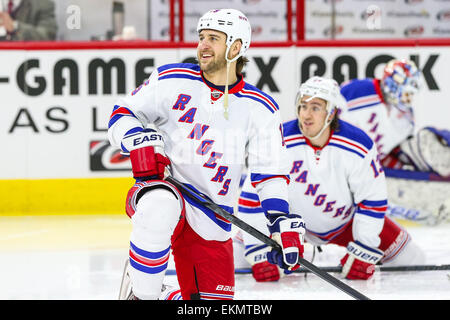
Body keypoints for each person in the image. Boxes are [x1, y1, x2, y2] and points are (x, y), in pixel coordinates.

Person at [108, 8, 305, 300]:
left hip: (213, 215)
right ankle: (141, 294)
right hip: (167, 190)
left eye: (213, 38)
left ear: (236, 47)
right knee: (160, 205)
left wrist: (281, 222)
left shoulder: (260, 106)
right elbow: (122, 113)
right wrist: (136, 139)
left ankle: (164, 295)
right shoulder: (171, 79)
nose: (203, 45)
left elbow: (270, 172)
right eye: (201, 37)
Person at [236, 76, 425, 283]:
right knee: (235, 258)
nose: (306, 115)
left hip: (345, 224)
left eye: (315, 107)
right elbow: (251, 198)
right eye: (303, 105)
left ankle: (314, 253)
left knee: (413, 258)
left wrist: (364, 248)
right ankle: (309, 252)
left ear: (332, 112)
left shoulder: (358, 145)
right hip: (289, 227)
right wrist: (259, 251)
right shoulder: (277, 139)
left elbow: (372, 200)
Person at [339, 59, 450, 178]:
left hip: (362, 173)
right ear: (393, 85)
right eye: (407, 93)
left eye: (411, 95)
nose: (409, 100)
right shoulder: (359, 90)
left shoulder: (405, 119)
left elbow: (391, 153)